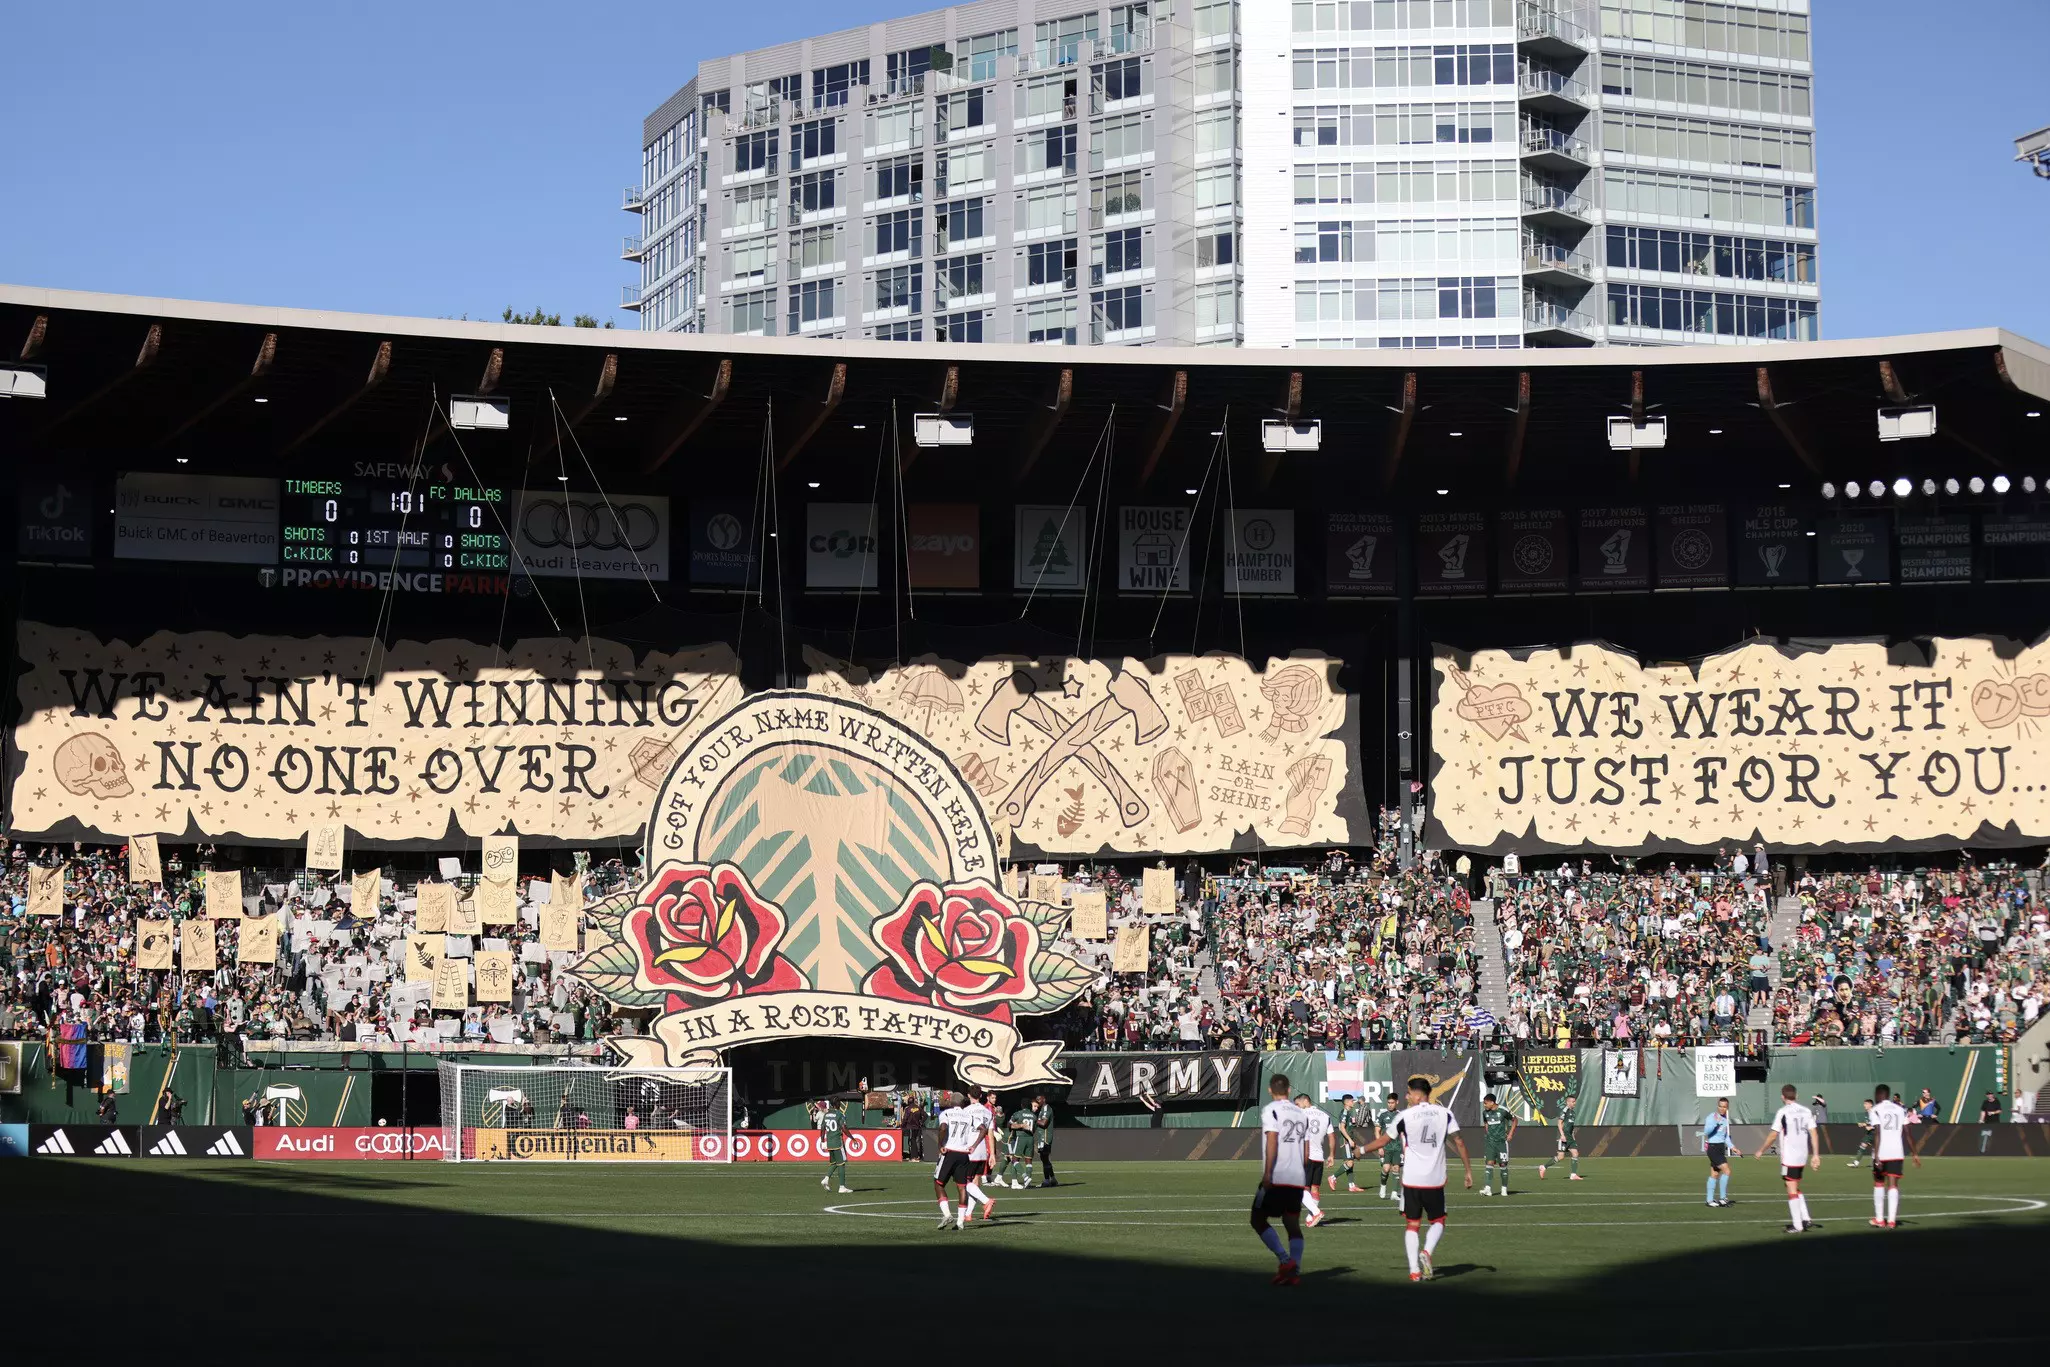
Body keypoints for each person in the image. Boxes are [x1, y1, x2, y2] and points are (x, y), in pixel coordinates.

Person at [1359, 1075, 1473, 1283]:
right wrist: (1468, 1171)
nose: (1406, 1096)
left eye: (1408, 1093)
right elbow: (1460, 1142)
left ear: (1416, 1094)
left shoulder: (1405, 1116)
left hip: (1411, 1180)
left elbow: (1384, 1139)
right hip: (1435, 1180)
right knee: (1438, 1221)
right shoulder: (1445, 1113)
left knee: (1412, 1224)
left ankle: (1414, 1271)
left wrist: (1361, 1149)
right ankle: (1427, 1252)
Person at [1250, 1073, 1310, 1286]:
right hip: (1296, 1178)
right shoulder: (1302, 1114)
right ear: (1289, 1090)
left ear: (1270, 1090)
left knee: (1257, 1219)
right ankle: (1294, 1270)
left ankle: (1285, 1261)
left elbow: (1272, 1140)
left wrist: (1268, 1173)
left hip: (1277, 1176)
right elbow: (1306, 1150)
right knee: (1292, 1223)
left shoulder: (1271, 1110)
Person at [1755, 1083, 1820, 1233]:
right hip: (1802, 1156)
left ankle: (1797, 1225)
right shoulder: (1806, 1111)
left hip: (1790, 1157)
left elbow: (1773, 1135)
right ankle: (1806, 1218)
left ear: (1782, 1097)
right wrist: (1816, 1155)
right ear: (1796, 1096)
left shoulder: (1783, 1112)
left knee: (1790, 1187)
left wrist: (1761, 1150)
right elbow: (1814, 1133)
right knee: (1793, 1185)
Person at [933, 1090, 995, 1230]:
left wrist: (940, 1145)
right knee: (962, 1187)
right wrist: (973, 1145)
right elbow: (983, 1129)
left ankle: (947, 1214)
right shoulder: (968, 1115)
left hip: (949, 1152)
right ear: (962, 1102)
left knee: (938, 1183)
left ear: (950, 1102)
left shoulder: (946, 1113)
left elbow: (943, 1127)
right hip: (964, 1154)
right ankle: (960, 1221)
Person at [1868, 1084, 1921, 1229]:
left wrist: (1877, 1156)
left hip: (1882, 1152)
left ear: (1879, 1095)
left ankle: (1880, 1219)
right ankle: (1891, 1221)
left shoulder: (1875, 1110)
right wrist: (1915, 1154)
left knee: (1879, 1182)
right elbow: (1908, 1133)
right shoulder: (1900, 1110)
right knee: (1893, 1184)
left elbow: (1877, 1133)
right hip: (1897, 1152)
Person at [1295, 1094, 1332, 1227]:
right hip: (1319, 1157)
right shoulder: (1325, 1115)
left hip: (1307, 1156)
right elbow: (1332, 1136)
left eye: (1297, 1104)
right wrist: (1332, 1154)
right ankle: (1311, 1217)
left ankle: (1316, 1212)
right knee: (1315, 1189)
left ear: (1305, 1101)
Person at [1699, 1096, 1739, 1208]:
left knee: (1715, 1174)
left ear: (1727, 1107)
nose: (1722, 1108)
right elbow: (1706, 1131)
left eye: (1724, 1107)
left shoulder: (1725, 1120)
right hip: (1713, 1148)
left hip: (1720, 1148)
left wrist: (1733, 1147)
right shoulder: (1712, 1117)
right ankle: (1722, 1198)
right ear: (1717, 1106)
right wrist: (1715, 1124)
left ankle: (1709, 1200)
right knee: (1727, 1171)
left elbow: (1725, 1137)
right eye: (1720, 1106)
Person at [1538, 1094, 1583, 1181]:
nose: (1575, 1103)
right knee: (1561, 1156)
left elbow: (1571, 1126)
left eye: (1575, 1101)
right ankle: (1543, 1167)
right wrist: (1562, 1135)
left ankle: (1573, 1175)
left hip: (1570, 1137)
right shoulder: (1564, 1111)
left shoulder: (1573, 1112)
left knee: (1575, 1153)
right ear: (1568, 1102)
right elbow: (1559, 1123)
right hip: (1563, 1137)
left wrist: (1573, 1136)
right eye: (1573, 1101)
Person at [1479, 1094, 1516, 1197]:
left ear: (1492, 1102)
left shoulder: (1503, 1110)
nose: (1484, 1105)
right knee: (1489, 1164)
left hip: (1501, 1143)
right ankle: (1488, 1189)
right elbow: (1486, 1123)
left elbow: (1514, 1120)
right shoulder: (1485, 1113)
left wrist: (1510, 1134)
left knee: (1503, 1165)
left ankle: (1504, 1189)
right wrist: (1488, 1133)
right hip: (1490, 1142)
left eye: (1486, 1103)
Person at [1374, 1090, 1405, 1202]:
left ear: (1396, 1102)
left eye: (1392, 1102)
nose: (1390, 1104)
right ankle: (1383, 1187)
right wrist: (1379, 1146)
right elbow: (1377, 1130)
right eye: (1388, 1102)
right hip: (1386, 1147)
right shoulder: (1382, 1115)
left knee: (1396, 1169)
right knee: (1386, 1168)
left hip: (1397, 1147)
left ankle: (1394, 1193)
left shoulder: (1401, 1116)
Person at [1002, 1097, 1036, 1188]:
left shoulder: (1018, 1114)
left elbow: (1009, 1125)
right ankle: (1028, 1182)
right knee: (1029, 1161)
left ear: (1021, 1105)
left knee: (1014, 1159)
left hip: (1021, 1138)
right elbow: (1034, 1129)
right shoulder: (1034, 1116)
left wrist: (1019, 1125)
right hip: (1031, 1138)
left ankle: (1024, 1177)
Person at [819, 1099, 850, 1194]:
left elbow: (822, 1128)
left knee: (834, 1163)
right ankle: (842, 1187)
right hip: (837, 1142)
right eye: (839, 1103)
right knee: (841, 1164)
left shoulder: (826, 1115)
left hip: (830, 1143)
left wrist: (822, 1140)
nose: (840, 1104)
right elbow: (843, 1128)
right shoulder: (839, 1114)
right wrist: (852, 1138)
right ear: (837, 1104)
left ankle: (826, 1179)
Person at [1337, 1094, 1368, 1193]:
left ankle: (1351, 1185)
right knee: (1350, 1163)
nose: (1353, 1102)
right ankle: (1333, 1177)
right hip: (1346, 1141)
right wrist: (1349, 1140)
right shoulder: (1345, 1112)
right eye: (1351, 1101)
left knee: (1351, 1163)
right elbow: (1341, 1127)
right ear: (1346, 1102)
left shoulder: (1349, 1112)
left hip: (1349, 1140)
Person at [1031, 1093, 1057, 1187]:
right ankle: (1053, 1179)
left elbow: (1044, 1123)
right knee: (1044, 1158)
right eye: (1036, 1099)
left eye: (1039, 1099)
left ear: (1044, 1099)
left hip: (1045, 1137)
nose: (1037, 1101)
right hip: (1042, 1137)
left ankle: (1047, 1180)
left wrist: (1033, 1118)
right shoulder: (1042, 1109)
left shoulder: (1046, 1108)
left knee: (1044, 1158)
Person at [1849, 1096, 1874, 1167]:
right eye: (1864, 1104)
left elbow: (1879, 1123)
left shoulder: (1874, 1112)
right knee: (1863, 1145)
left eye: (1866, 1104)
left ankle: (1874, 1163)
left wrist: (1871, 1127)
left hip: (1876, 1133)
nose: (1864, 1105)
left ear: (1871, 1105)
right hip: (1869, 1134)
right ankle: (1856, 1163)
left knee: (1875, 1148)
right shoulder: (1866, 1113)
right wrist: (1863, 1124)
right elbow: (1868, 1123)